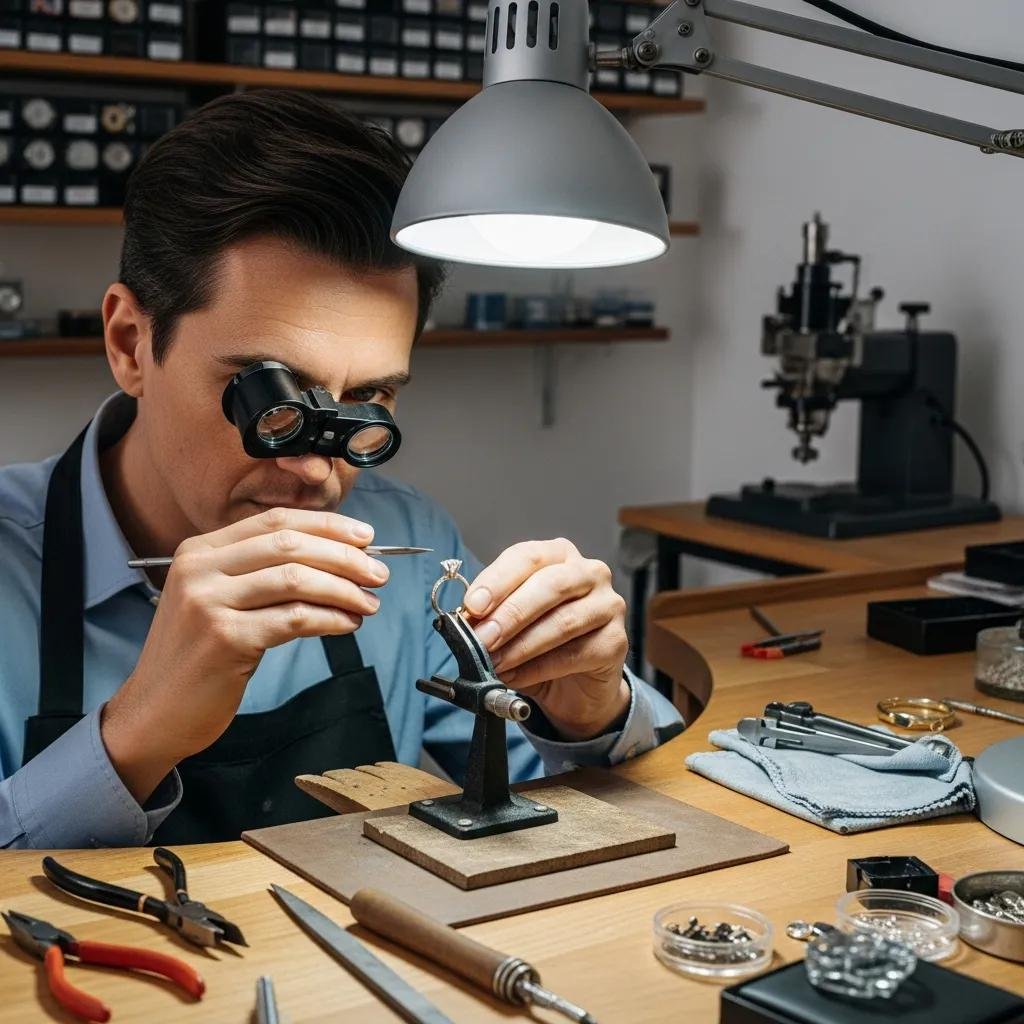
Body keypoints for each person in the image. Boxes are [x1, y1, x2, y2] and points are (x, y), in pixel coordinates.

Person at [0, 90, 683, 849]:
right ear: (131, 343)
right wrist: (132, 737)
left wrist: (587, 709)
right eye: (268, 396)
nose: (315, 473)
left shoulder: (405, 536)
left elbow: (585, 813)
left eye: (369, 399)